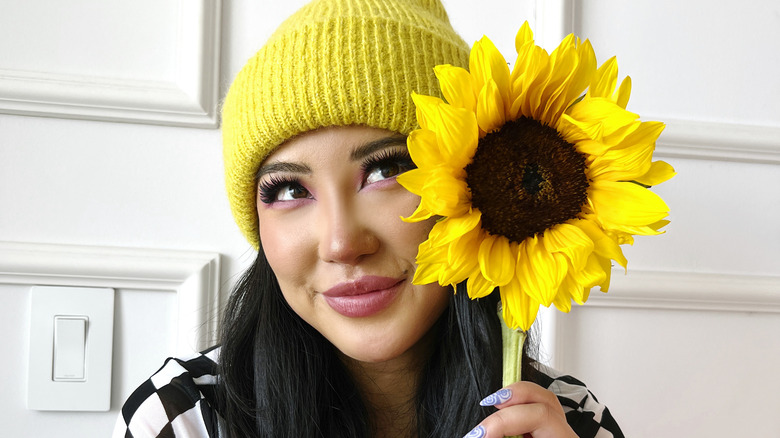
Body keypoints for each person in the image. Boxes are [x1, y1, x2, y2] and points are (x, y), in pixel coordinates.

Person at [113, 0, 625, 437]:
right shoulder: (183, 417)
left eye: (386, 171)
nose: (341, 242)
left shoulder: (569, 419)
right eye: (290, 189)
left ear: (475, 192)